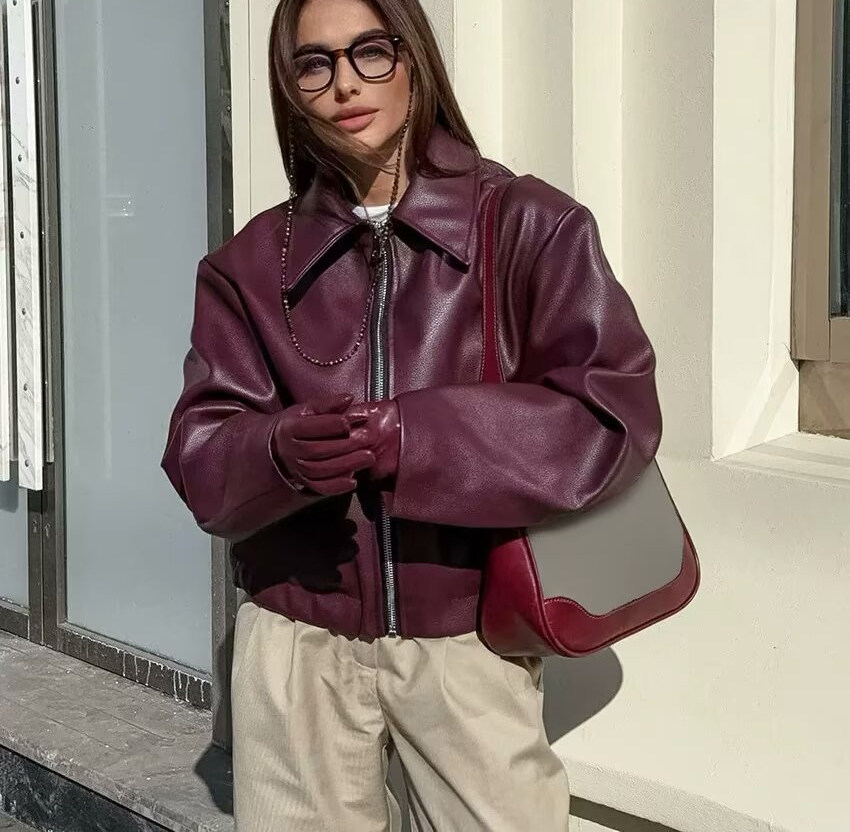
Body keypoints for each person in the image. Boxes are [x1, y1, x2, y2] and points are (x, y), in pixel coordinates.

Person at [160, 0, 662, 829]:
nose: (345, 83)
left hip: (468, 642)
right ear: (289, 88)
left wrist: (416, 438)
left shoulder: (530, 226)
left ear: (413, 55)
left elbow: (612, 415)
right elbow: (200, 454)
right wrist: (278, 454)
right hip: (295, 642)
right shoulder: (247, 265)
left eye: (371, 51)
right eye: (314, 63)